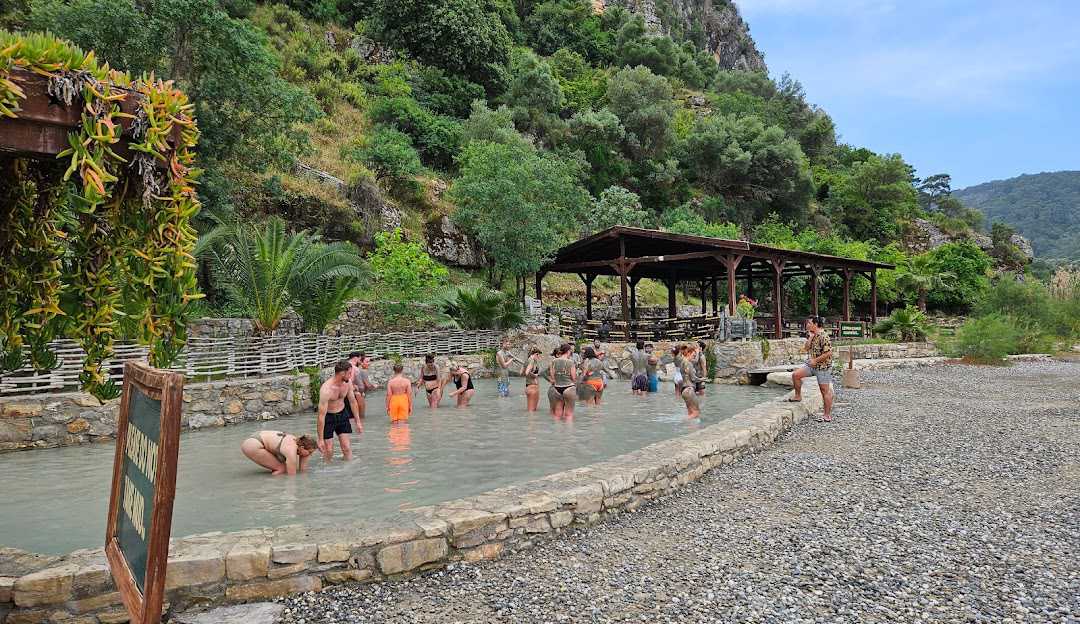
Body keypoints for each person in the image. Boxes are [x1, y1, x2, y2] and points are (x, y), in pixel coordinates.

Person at [791, 315, 835, 422]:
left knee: (824, 391)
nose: (807, 325)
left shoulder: (824, 336)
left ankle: (827, 415)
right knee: (796, 375)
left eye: (809, 323)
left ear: (815, 324)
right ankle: (798, 396)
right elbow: (806, 348)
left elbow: (829, 353)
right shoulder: (813, 335)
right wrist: (810, 337)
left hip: (823, 367)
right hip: (811, 365)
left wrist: (815, 360)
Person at [317, 360, 359, 461]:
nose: (351, 376)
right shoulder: (326, 389)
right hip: (329, 417)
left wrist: (358, 421)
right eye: (349, 373)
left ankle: (348, 471)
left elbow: (353, 401)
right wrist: (320, 439)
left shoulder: (347, 383)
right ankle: (327, 472)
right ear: (342, 373)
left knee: (347, 448)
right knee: (329, 451)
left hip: (342, 415)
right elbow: (321, 416)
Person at [241, 431, 317, 475]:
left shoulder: (300, 444)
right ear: (302, 447)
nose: (310, 455)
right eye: (310, 452)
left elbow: (303, 470)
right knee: (282, 469)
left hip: (255, 439)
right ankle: (273, 490)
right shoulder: (291, 449)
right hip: (253, 444)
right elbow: (292, 477)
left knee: (281, 467)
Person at [547, 343, 577, 418]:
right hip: (568, 387)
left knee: (557, 414)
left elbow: (552, 376)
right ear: (568, 351)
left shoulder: (554, 361)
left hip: (557, 388)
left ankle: (557, 429)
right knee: (569, 414)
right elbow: (573, 377)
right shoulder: (570, 362)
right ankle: (568, 429)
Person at [679, 344, 702, 418]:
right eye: (693, 354)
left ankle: (690, 428)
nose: (694, 356)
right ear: (689, 353)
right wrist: (703, 379)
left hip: (684, 390)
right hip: (689, 389)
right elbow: (693, 378)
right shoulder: (688, 363)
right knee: (696, 412)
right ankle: (682, 423)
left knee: (690, 412)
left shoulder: (682, 362)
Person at [523, 347, 543, 412]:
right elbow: (526, 372)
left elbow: (521, 372)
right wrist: (535, 375)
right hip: (533, 387)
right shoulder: (531, 361)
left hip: (528, 386)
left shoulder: (527, 360)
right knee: (531, 412)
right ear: (536, 354)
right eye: (539, 355)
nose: (539, 357)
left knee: (531, 411)